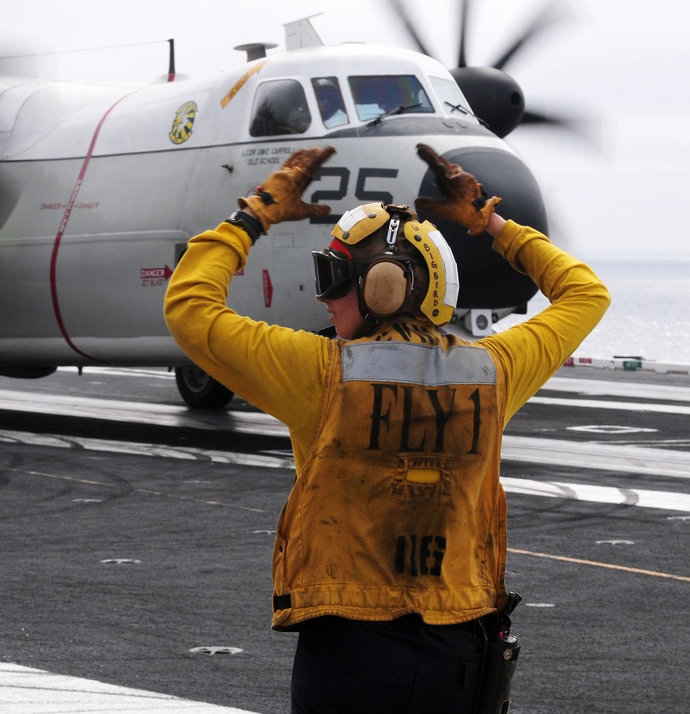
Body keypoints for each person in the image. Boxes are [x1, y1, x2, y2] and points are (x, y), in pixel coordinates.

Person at [163, 144, 610, 713]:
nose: (325, 299)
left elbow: (189, 306)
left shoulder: (321, 373)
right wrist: (493, 223)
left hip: (352, 653)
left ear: (382, 287)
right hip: (461, 650)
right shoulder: (492, 372)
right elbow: (586, 293)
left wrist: (253, 215)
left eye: (333, 277)